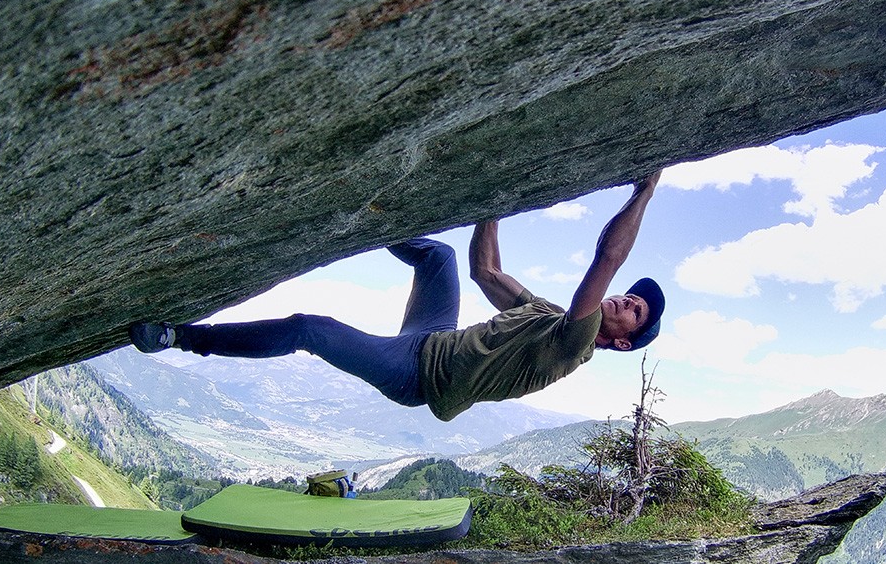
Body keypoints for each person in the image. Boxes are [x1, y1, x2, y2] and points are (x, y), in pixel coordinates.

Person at [129, 172, 664, 422]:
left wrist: (647, 188)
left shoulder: (574, 342)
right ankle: (360, 209)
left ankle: (179, 338)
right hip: (431, 338)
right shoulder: (546, 316)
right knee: (443, 259)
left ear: (620, 343)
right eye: (630, 298)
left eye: (634, 311)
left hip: (416, 378)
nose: (623, 300)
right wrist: (495, 198)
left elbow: (606, 261)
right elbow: (486, 270)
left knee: (307, 328)